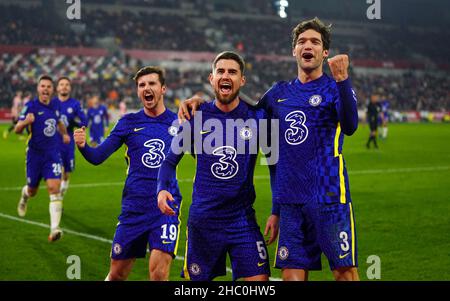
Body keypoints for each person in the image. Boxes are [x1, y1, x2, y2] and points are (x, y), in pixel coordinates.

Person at [179, 18, 360, 281]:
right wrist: (202, 101)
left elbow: (351, 125)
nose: (307, 45)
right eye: (301, 42)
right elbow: (242, 111)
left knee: (344, 272)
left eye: (315, 42)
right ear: (294, 51)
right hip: (290, 204)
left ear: (325, 52)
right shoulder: (278, 93)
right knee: (290, 277)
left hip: (329, 197)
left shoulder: (334, 88)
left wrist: (343, 80)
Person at [157, 51, 279, 281]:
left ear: (242, 80)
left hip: (242, 219)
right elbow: (169, 161)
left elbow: (274, 166)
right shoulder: (195, 116)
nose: (226, 76)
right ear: (211, 78)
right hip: (204, 221)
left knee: (259, 282)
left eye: (232, 72)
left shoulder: (258, 118)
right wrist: (162, 188)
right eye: (220, 71)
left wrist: (276, 210)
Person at [73, 66, 182, 281]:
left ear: (163, 89)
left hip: (166, 207)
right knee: (117, 274)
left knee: (159, 275)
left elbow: (204, 154)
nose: (146, 88)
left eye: (151, 84)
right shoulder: (128, 122)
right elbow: (97, 157)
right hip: (134, 207)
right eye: (142, 85)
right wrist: (84, 146)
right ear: (137, 91)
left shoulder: (179, 123)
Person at [15, 75, 71, 242]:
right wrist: (26, 122)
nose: (45, 89)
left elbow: (59, 122)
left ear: (52, 90)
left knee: (55, 189)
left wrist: (64, 134)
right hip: (35, 154)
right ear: (38, 89)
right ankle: (24, 196)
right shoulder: (30, 106)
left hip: (52, 154)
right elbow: (17, 129)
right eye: (43, 86)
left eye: (48, 86)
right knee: (32, 190)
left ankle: (54, 229)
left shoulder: (55, 105)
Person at [54, 77, 87, 197]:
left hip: (68, 144)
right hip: (53, 143)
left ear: (70, 88)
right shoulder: (52, 103)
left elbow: (84, 121)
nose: (64, 86)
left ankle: (60, 195)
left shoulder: (75, 104)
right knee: (57, 171)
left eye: (67, 84)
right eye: (61, 84)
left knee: (66, 174)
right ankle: (56, 199)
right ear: (57, 88)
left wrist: (75, 122)